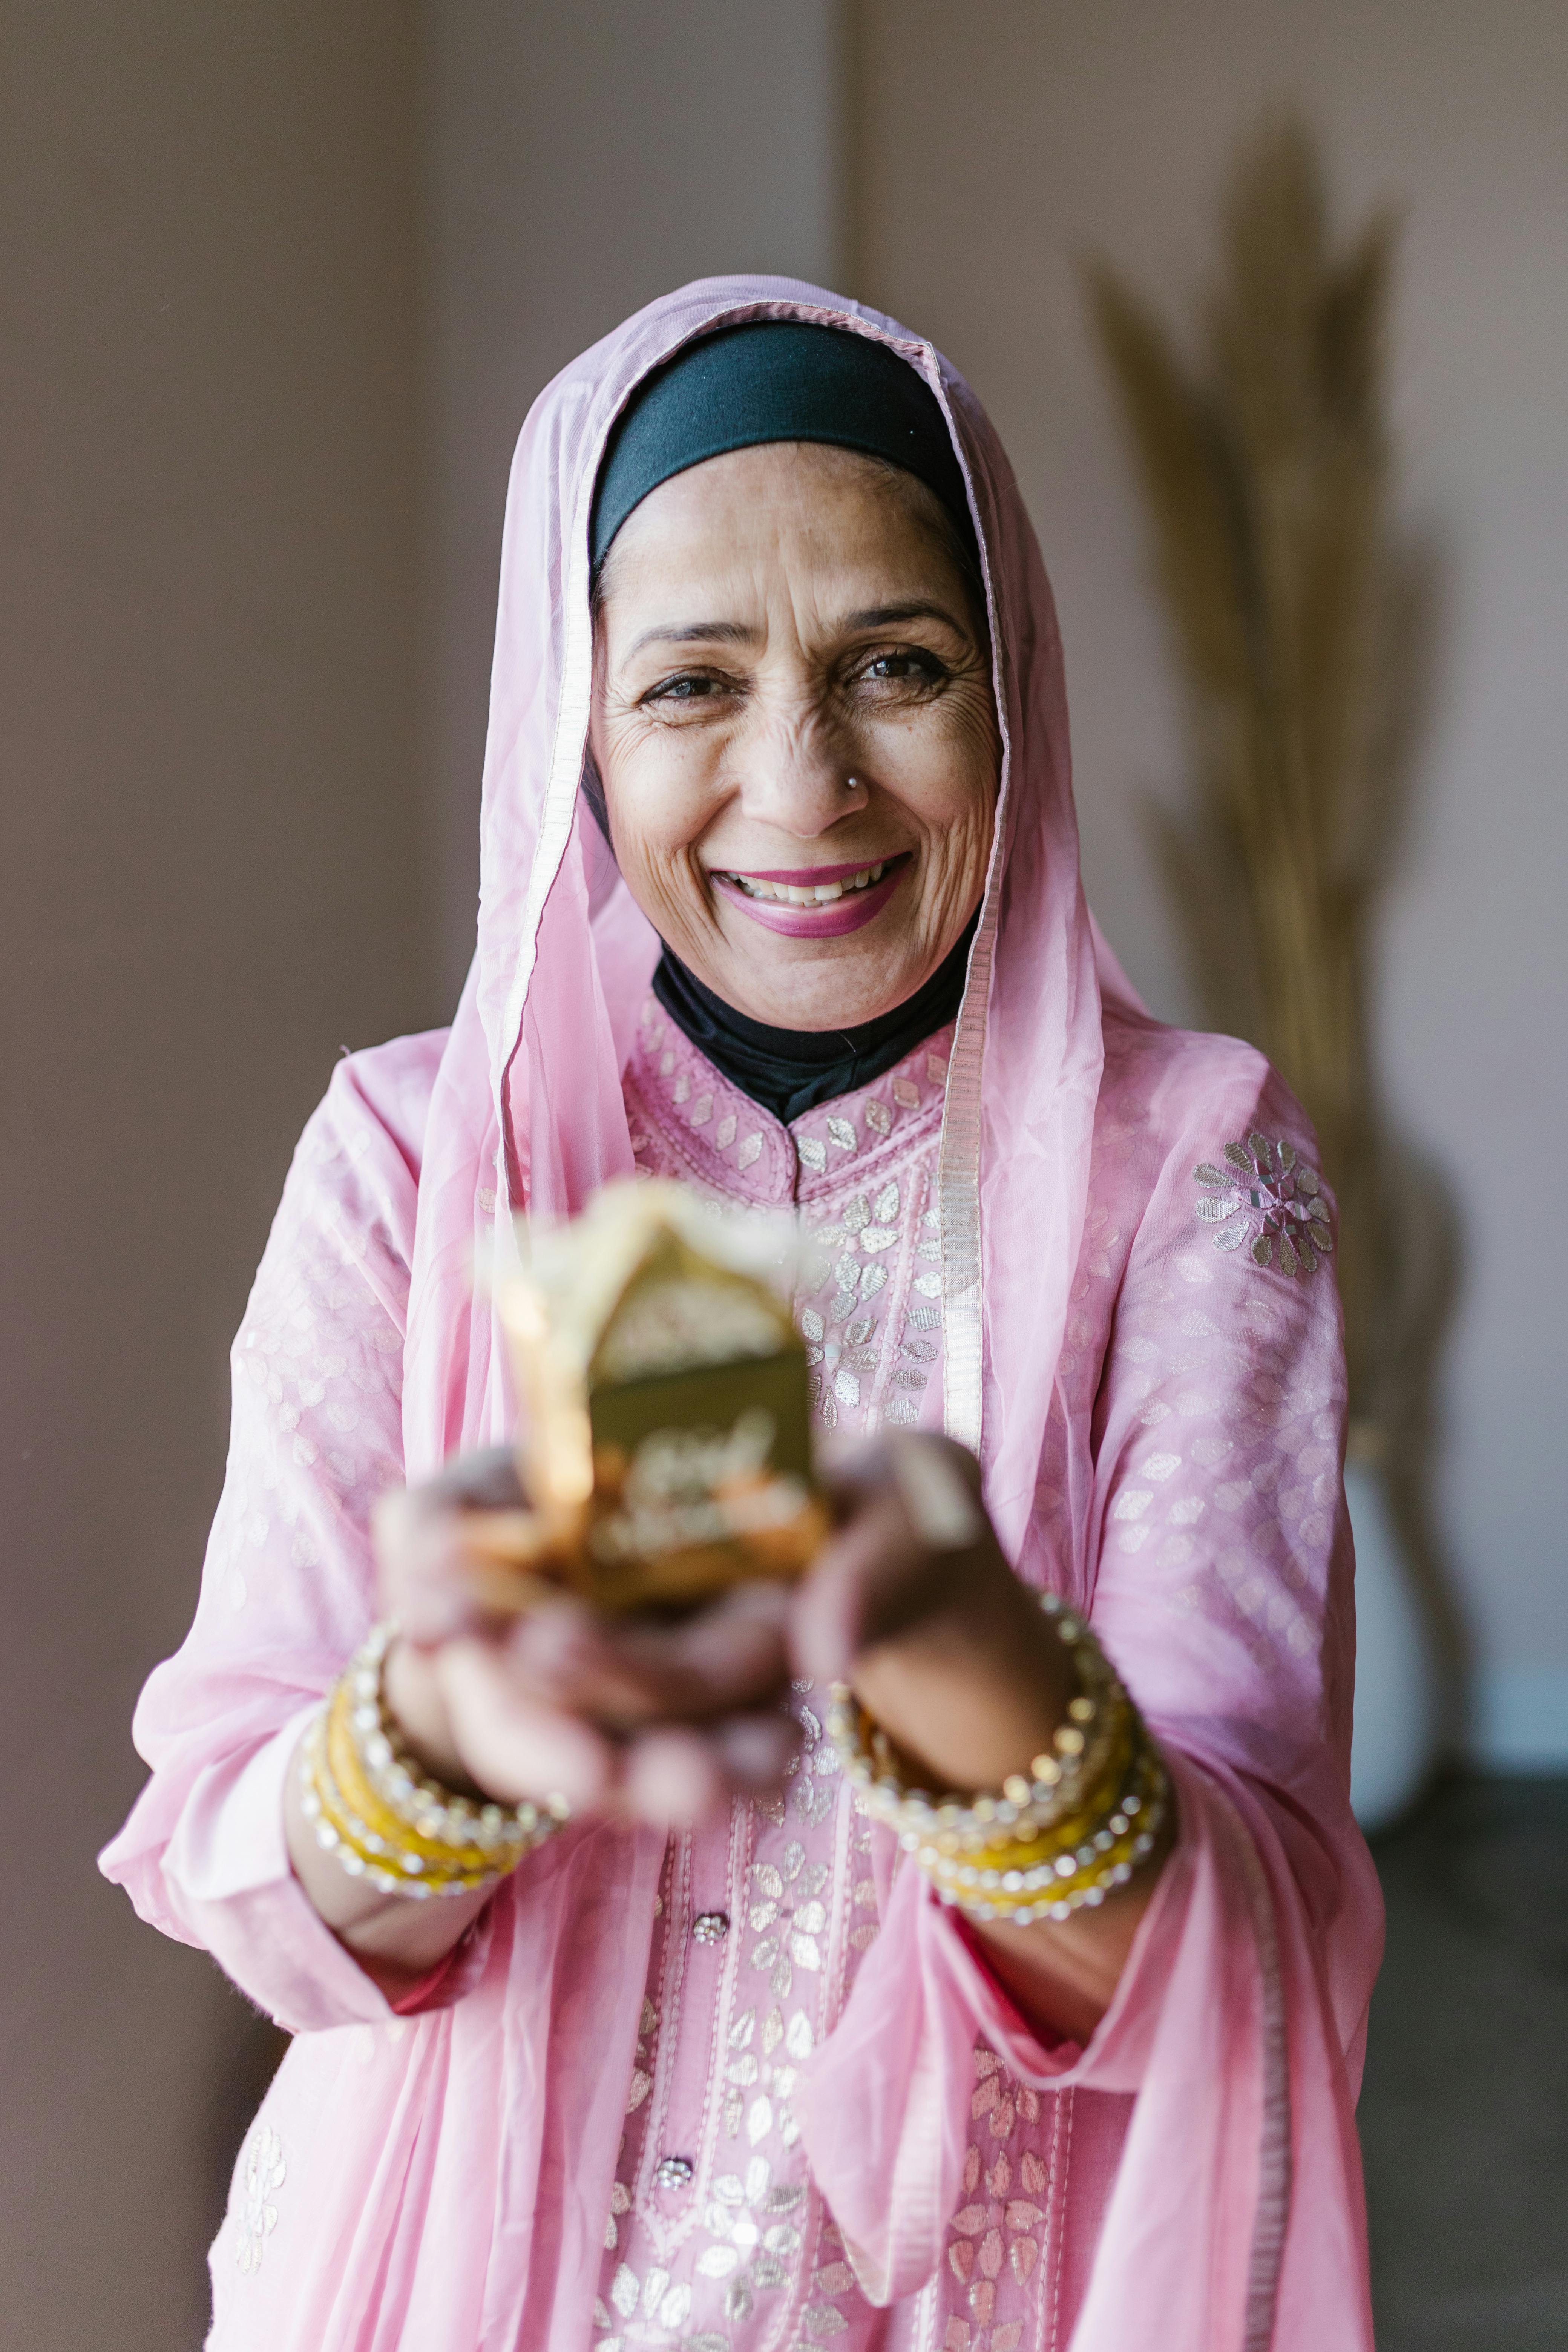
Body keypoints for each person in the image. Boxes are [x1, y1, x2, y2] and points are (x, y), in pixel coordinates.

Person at [101, 280, 1383, 2351]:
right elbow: (269, 1906)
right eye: (691, 682)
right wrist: (447, 1733)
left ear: (1014, 690)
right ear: (576, 724)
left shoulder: (1194, 1172)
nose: (806, 786)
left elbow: (1240, 1963)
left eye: (898, 665)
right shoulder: (413, 1165)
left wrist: (970, 1675)